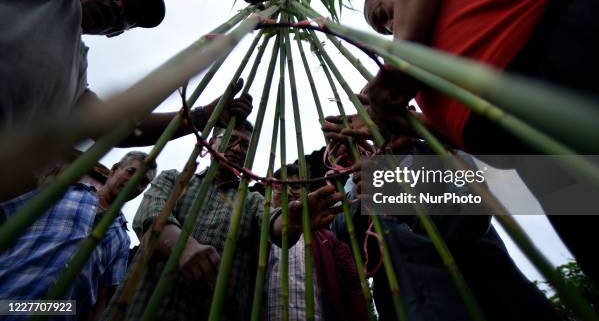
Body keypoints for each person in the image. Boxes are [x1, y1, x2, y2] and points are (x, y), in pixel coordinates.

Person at [332, 0, 599, 304]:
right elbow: (485, 166)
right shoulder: (418, 71)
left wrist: (401, 59)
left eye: (384, 13)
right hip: (528, 153)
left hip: (563, 27)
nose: (391, 26)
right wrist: (411, 124)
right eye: (384, 29)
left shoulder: (419, 27)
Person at [0, 0, 294, 199]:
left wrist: (206, 115)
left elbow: (114, 128)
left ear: (114, 33)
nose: (118, 6)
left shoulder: (74, 67)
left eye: (128, 18)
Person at [105, 122, 342, 321]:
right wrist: (184, 248)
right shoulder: (175, 180)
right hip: (142, 306)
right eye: (231, 140)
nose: (238, 149)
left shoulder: (252, 200)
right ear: (212, 143)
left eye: (246, 146)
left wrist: (290, 218)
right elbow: (150, 216)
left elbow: (274, 222)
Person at [331, 138, 561, 321]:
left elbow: (471, 214)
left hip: (489, 303)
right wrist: (351, 179)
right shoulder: (356, 181)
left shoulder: (435, 150)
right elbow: (346, 247)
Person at [0, 151, 157, 320]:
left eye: (143, 183)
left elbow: (101, 298)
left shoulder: (121, 239)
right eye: (131, 172)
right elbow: (6, 216)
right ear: (114, 169)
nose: (135, 183)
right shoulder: (63, 192)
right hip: (8, 293)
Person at [264, 164, 368, 321]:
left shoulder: (329, 239)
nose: (290, 191)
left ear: (307, 192)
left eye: (297, 186)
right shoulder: (258, 233)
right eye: (282, 187)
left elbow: (352, 289)